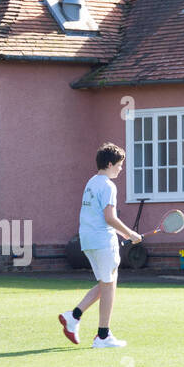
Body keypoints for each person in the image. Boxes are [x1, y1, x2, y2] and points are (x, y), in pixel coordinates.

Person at [60, 143, 141, 348]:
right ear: (110, 163)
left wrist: (126, 234)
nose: (121, 169)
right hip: (102, 240)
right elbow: (109, 217)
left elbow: (101, 217)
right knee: (109, 285)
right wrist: (130, 233)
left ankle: (74, 316)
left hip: (88, 240)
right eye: (119, 165)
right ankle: (103, 336)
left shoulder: (92, 182)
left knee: (106, 283)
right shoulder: (108, 185)